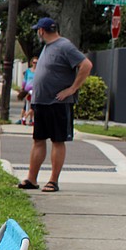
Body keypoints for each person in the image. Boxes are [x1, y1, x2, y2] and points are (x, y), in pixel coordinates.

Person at [18, 17, 92, 193]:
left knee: (58, 141)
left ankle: (53, 181)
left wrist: (72, 89)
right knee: (38, 140)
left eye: (38, 30)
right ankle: (32, 179)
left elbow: (86, 65)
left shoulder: (64, 45)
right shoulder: (47, 47)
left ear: (41, 31)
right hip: (41, 102)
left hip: (58, 103)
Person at [17, 56, 37, 125]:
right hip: (27, 90)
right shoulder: (28, 71)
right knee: (26, 106)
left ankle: (30, 119)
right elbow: (25, 80)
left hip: (34, 90)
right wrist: (23, 88)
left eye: (36, 63)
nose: (35, 64)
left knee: (33, 106)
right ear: (32, 63)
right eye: (34, 62)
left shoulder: (38, 71)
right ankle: (22, 118)